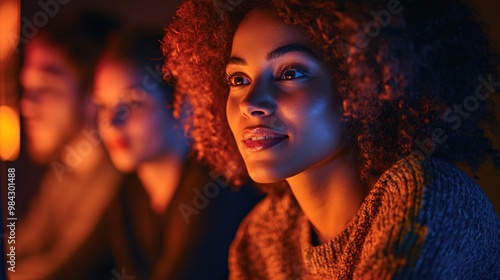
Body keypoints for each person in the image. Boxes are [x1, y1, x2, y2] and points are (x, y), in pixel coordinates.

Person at [162, 0, 500, 278]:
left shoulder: (429, 193)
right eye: (238, 78)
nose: (251, 103)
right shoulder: (261, 237)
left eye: (290, 73)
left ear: (364, 83)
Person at [93, 28, 261, 279]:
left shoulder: (216, 188)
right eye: (102, 105)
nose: (110, 122)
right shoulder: (129, 194)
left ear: (183, 105)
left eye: (133, 102)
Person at [14, 12, 121, 279]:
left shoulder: (117, 179)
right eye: (26, 88)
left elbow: (60, 271)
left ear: (92, 93)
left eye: (47, 87)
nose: (26, 105)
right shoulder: (64, 170)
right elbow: (21, 247)